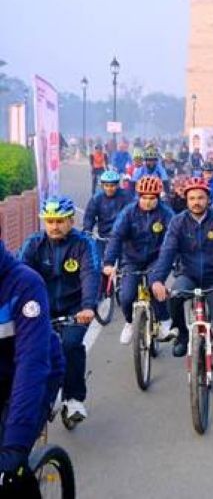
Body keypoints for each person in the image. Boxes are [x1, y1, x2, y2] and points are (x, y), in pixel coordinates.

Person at [150, 177, 213, 396]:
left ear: (208, 199)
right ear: (186, 200)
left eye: (200, 197)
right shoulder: (178, 222)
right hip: (189, 275)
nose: (196, 202)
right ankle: (183, 333)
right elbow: (167, 252)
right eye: (192, 198)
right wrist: (157, 280)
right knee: (174, 296)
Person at [19, 196, 101, 422]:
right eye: (50, 221)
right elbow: (19, 275)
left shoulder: (84, 244)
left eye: (60, 221)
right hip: (41, 308)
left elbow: (90, 275)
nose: (54, 226)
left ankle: (73, 399)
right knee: (28, 349)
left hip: (75, 308)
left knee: (70, 345)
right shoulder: (33, 244)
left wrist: (88, 307)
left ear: (71, 221)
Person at [0, 229, 65, 498]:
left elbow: (32, 363)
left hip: (30, 378)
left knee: (10, 472)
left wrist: (15, 442)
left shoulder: (24, 285)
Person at [104, 175, 175, 345]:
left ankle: (164, 321)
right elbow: (116, 237)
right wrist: (108, 263)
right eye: (144, 198)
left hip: (157, 259)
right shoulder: (128, 213)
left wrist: (175, 261)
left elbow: (175, 238)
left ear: (158, 198)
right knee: (126, 296)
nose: (148, 202)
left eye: (152, 198)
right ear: (138, 196)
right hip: (131, 259)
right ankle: (129, 323)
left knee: (155, 287)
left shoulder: (166, 214)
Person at [82, 170, 133, 260]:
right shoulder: (96, 198)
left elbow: (132, 215)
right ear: (102, 186)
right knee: (97, 262)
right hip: (103, 238)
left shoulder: (126, 197)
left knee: (125, 264)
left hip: (122, 239)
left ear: (117, 185)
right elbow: (89, 216)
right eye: (107, 185)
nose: (109, 188)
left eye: (112, 186)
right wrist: (87, 230)